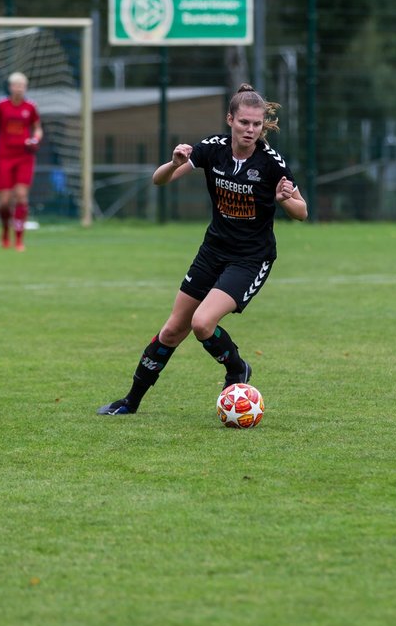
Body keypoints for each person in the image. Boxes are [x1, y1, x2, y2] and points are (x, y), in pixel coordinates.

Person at [98, 83, 308, 415]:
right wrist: (173, 162)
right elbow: (159, 179)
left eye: (256, 124)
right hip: (213, 251)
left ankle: (237, 369)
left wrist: (286, 201)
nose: (250, 129)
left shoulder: (271, 164)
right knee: (172, 329)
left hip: (250, 259)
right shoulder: (212, 149)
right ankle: (130, 402)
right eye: (244, 122)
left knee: (202, 323)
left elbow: (302, 211)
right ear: (230, 120)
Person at [0, 72, 42, 250]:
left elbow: (38, 129)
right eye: (15, 86)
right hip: (4, 157)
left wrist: (35, 140)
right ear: (10, 87)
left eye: (22, 86)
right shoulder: (1, 106)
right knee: (4, 202)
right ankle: (5, 232)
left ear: (25, 87)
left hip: (24, 157)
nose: (19, 89)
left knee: (21, 196)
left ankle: (19, 239)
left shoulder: (30, 107)